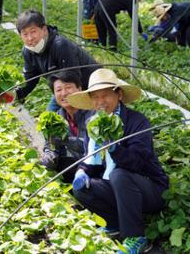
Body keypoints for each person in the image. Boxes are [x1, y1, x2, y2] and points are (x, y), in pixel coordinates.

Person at [67, 68, 169, 254]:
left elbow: (138, 163)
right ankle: (113, 224)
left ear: (119, 94)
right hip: (119, 188)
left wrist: (114, 148)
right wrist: (82, 171)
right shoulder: (94, 123)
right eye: (95, 97)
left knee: (119, 174)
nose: (100, 102)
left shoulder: (137, 122)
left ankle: (136, 237)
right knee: (81, 188)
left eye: (105, 95)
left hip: (150, 189)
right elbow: (91, 160)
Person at [0, 10, 99, 111]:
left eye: (33, 32)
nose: (30, 38)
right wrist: (13, 94)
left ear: (44, 30)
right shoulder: (28, 51)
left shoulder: (60, 45)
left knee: (77, 118)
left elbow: (73, 79)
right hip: (63, 88)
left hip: (90, 86)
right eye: (25, 34)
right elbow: (30, 79)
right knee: (51, 117)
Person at [40, 71, 92, 183]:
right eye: (58, 90)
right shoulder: (56, 118)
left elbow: (94, 150)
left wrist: (66, 140)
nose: (64, 93)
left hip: (95, 167)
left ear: (79, 89)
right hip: (75, 167)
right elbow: (51, 147)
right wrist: (49, 158)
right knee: (62, 163)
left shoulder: (93, 112)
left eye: (68, 88)